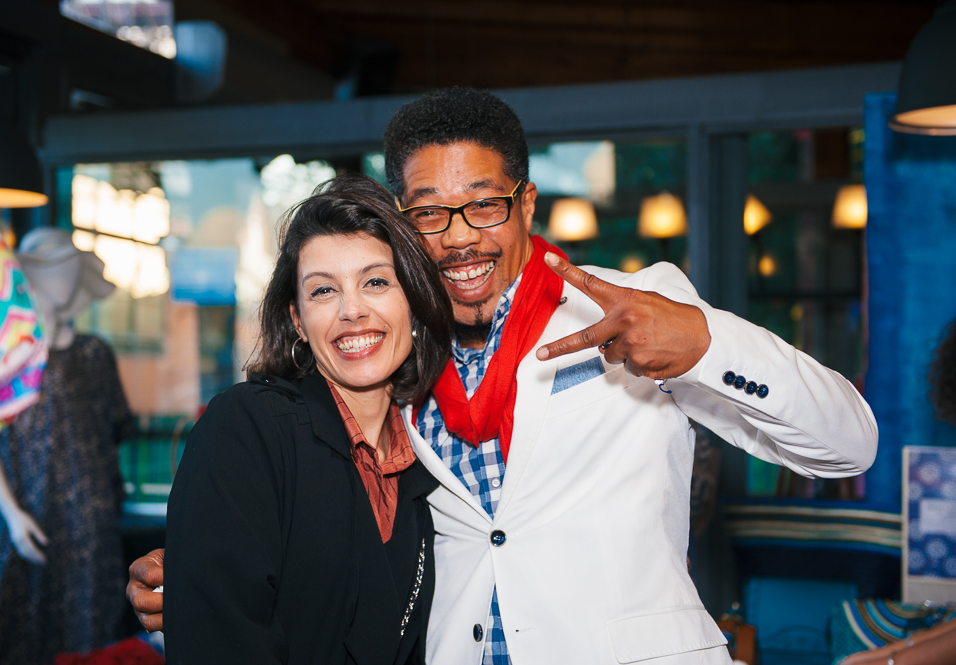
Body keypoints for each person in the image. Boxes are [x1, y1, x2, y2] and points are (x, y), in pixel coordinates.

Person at [129, 88, 878, 665]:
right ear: (404, 224)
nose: (460, 237)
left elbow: (849, 445)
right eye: (430, 213)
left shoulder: (632, 308)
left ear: (526, 204)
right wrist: (208, 577)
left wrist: (708, 344)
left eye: (484, 205)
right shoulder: (395, 366)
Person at [162, 174, 454, 664]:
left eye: (376, 282)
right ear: (298, 319)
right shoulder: (250, 427)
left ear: (414, 303)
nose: (352, 310)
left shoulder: (426, 458)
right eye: (323, 291)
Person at [0, 228, 129, 665]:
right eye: (55, 270)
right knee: (6, 629)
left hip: (88, 523)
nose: (64, 280)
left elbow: (111, 431)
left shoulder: (94, 353)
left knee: (89, 633)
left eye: (70, 270)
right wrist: (12, 513)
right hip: (22, 513)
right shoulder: (5, 357)